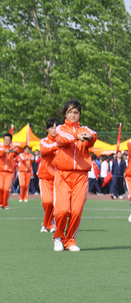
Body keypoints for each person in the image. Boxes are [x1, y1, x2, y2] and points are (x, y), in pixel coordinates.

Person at [52, 99, 97, 252]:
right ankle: (58, 238)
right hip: (63, 175)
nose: (73, 115)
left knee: (76, 211)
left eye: (76, 112)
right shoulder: (60, 128)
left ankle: (70, 240)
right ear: (65, 114)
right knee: (62, 210)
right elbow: (62, 139)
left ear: (79, 114)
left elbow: (94, 135)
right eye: (70, 112)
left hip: (81, 176)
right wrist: (77, 136)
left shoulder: (84, 129)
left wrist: (89, 136)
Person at [38, 117, 59, 233]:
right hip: (45, 177)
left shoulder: (62, 142)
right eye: (51, 127)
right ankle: (48, 223)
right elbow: (44, 151)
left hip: (58, 178)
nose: (54, 130)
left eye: (56, 127)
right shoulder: (44, 141)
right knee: (47, 201)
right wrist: (58, 145)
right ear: (47, 129)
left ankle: (48, 224)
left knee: (56, 203)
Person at [0, 133, 19, 209]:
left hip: (9, 171)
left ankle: (5, 204)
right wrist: (7, 151)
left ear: (10, 140)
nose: (6, 141)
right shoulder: (0, 147)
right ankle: (1, 203)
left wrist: (13, 150)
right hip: (0, 171)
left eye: (8, 140)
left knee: (6, 189)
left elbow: (17, 151)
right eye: (5, 139)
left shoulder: (13, 148)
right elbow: (0, 153)